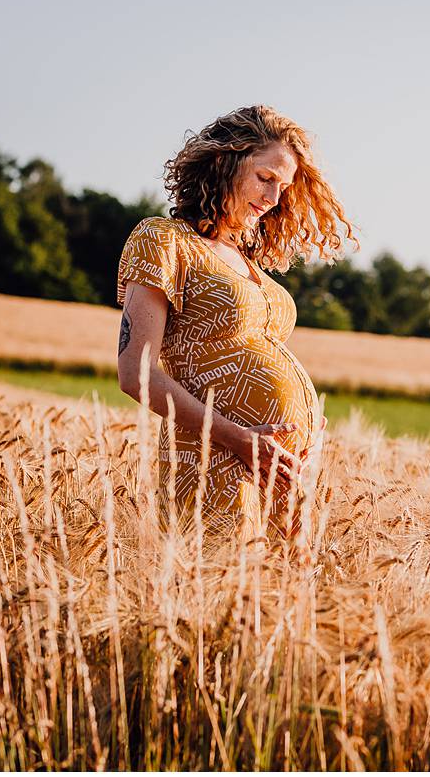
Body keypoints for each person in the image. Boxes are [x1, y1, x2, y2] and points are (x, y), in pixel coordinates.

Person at [116, 105, 356, 539]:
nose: (272, 198)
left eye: (283, 187)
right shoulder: (163, 240)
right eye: (265, 178)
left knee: (281, 599)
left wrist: (307, 434)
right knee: (219, 594)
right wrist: (237, 438)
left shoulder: (250, 263)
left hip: (284, 469)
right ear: (224, 162)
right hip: (214, 457)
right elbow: (136, 374)